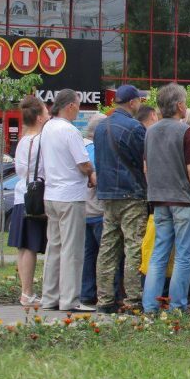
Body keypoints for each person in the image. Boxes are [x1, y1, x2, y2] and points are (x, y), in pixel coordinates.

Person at [142, 83, 190, 314]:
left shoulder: (150, 131)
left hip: (159, 200)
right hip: (183, 201)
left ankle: (150, 306)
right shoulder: (185, 132)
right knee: (183, 256)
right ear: (180, 105)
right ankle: (177, 305)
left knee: (159, 254)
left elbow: (147, 167)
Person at [39, 90, 96, 313]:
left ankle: (49, 296)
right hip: (71, 195)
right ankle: (69, 299)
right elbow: (83, 163)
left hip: (51, 194)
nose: (79, 110)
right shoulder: (70, 131)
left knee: (54, 247)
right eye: (78, 105)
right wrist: (90, 173)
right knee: (72, 249)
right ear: (70, 106)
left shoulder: (48, 128)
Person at [93, 85, 148, 314]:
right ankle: (133, 298)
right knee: (133, 246)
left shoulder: (99, 127)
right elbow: (144, 160)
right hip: (131, 194)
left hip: (107, 195)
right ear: (133, 102)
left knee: (107, 247)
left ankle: (104, 299)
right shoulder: (135, 127)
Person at [8, 95, 49, 306]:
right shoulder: (41, 140)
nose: (49, 114)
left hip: (20, 194)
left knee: (23, 247)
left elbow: (20, 170)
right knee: (31, 246)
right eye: (46, 111)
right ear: (40, 117)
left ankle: (26, 292)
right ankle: (27, 293)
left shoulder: (23, 141)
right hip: (35, 196)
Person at [80, 113, 106, 307]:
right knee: (103, 254)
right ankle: (104, 293)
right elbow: (95, 178)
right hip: (97, 209)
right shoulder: (95, 150)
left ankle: (86, 293)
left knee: (87, 255)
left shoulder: (80, 147)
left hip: (83, 210)